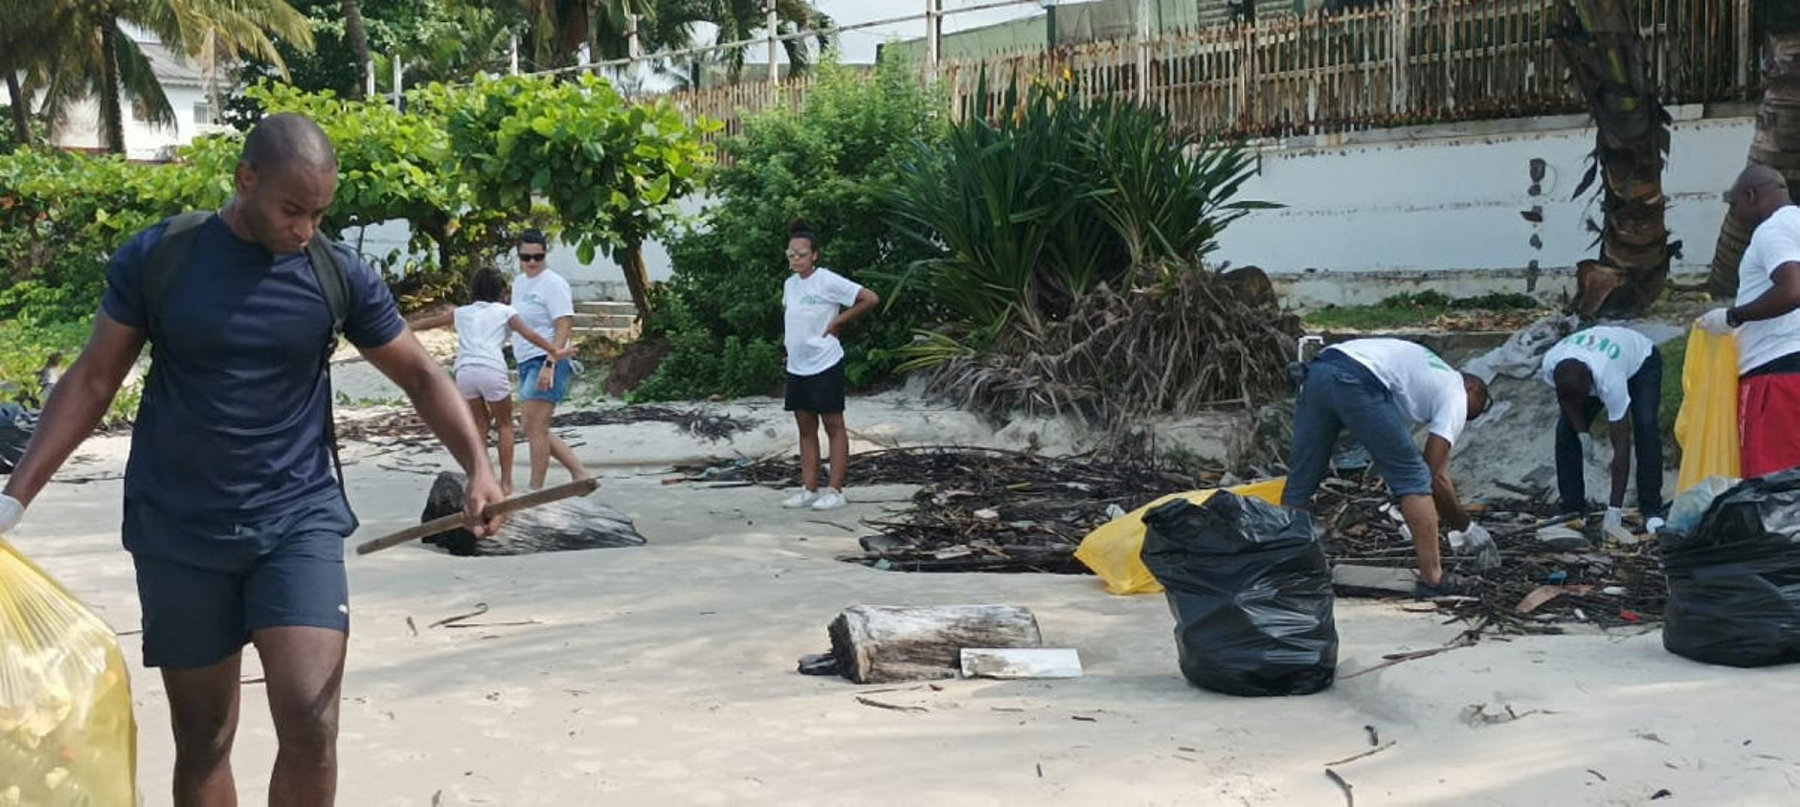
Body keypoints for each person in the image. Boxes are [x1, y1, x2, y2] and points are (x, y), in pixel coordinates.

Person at [0, 113, 504, 807]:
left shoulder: (335, 274)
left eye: (319, 212)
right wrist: (15, 498)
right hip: (178, 528)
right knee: (204, 737)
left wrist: (478, 464)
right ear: (245, 180)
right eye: (291, 208)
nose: (304, 228)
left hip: (296, 519)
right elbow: (92, 379)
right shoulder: (161, 258)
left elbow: (419, 374)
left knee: (311, 717)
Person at [1282, 338, 1491, 597]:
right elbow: (1434, 474)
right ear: (1471, 386)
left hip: (1318, 371)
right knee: (1414, 477)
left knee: (1301, 480)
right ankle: (1433, 578)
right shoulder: (1456, 392)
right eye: (1474, 411)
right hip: (1356, 377)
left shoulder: (1429, 374)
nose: (1467, 418)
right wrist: (1466, 527)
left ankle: (1285, 571)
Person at [410, 266, 572, 495]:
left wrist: (403, 328)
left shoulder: (462, 312)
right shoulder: (505, 311)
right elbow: (531, 335)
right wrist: (554, 350)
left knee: (479, 425)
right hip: (491, 369)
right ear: (501, 290)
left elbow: (430, 322)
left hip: (464, 372)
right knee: (504, 425)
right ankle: (505, 483)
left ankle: (479, 478)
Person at [1699, 164, 1800, 477]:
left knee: (1774, 484)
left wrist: (1732, 316)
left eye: (1734, 203)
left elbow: (1792, 289)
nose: (1734, 212)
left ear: (1751, 195)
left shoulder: (1773, 230)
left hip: (1776, 372)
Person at [780, 219, 879, 511]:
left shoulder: (827, 280)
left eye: (802, 254)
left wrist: (837, 321)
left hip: (825, 362)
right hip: (798, 365)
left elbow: (869, 299)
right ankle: (809, 488)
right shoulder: (789, 285)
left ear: (814, 255)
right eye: (791, 254)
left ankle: (834, 490)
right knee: (805, 426)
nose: (796, 259)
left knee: (833, 425)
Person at [1538, 326, 1664, 534]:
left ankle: (1651, 510)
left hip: (1641, 359)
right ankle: (1572, 508)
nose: (1583, 402)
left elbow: (1621, 445)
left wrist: (1614, 509)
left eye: (1585, 395)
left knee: (1645, 425)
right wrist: (1582, 433)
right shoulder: (1551, 363)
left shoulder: (1608, 378)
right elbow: (1566, 400)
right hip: (1598, 359)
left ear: (1590, 381)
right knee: (1565, 432)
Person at [509, 229, 589, 490]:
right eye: (526, 257)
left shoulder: (553, 283)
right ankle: (579, 473)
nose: (532, 262)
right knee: (531, 425)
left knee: (535, 425)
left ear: (545, 255)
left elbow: (564, 324)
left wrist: (551, 362)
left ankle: (535, 489)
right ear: (519, 256)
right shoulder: (519, 283)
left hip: (546, 359)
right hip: (524, 358)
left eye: (538, 256)